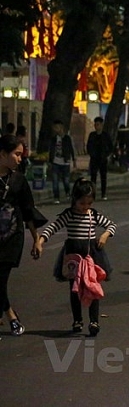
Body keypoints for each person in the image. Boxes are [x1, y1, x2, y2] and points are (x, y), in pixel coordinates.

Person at [33, 178, 116, 336]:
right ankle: (77, 320)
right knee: (74, 289)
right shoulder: (68, 215)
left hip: (91, 257)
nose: (85, 207)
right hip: (73, 259)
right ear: (74, 200)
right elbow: (52, 227)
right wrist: (40, 241)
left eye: (89, 204)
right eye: (82, 203)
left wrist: (105, 235)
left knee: (93, 287)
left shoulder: (94, 215)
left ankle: (94, 321)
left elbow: (111, 225)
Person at [0, 134, 43, 336]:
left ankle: (10, 316)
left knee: (0, 278)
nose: (20, 159)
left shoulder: (18, 181)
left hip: (11, 237)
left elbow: (28, 212)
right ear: (2, 154)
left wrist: (36, 239)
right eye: (16, 154)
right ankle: (9, 312)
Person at [49, 120, 76, 204]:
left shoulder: (67, 138)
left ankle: (68, 193)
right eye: (54, 127)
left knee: (66, 180)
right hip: (55, 161)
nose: (55, 129)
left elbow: (71, 149)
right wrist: (50, 160)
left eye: (57, 127)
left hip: (65, 162)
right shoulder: (54, 139)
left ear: (61, 128)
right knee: (55, 180)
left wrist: (74, 160)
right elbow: (51, 150)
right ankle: (56, 197)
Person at [86, 117, 114, 199]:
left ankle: (103, 193)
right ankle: (93, 193)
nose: (96, 126)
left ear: (101, 125)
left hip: (103, 158)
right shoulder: (92, 135)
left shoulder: (105, 135)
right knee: (93, 176)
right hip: (94, 158)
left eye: (98, 124)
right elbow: (89, 146)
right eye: (95, 124)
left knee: (103, 177)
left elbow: (110, 146)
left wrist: (107, 155)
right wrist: (91, 153)